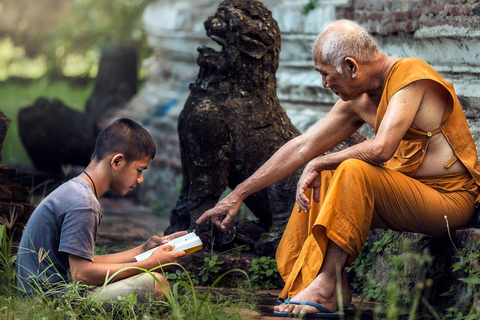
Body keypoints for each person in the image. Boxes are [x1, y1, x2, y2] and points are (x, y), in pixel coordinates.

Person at [196, 19, 480, 317]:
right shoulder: (358, 99)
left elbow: (382, 149)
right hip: (407, 195)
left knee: (349, 169)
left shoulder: (410, 76)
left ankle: (326, 281)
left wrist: (320, 160)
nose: (324, 84)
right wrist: (237, 194)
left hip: (449, 202)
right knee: (328, 177)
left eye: (325, 74)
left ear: (351, 67)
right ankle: (333, 290)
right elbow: (302, 147)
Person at [16, 118, 187, 302]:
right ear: (117, 162)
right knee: (156, 283)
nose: (140, 179)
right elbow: (82, 274)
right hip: (47, 299)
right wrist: (150, 264)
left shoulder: (76, 191)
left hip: (40, 291)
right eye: (139, 170)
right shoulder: (84, 203)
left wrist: (143, 251)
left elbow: (86, 263)